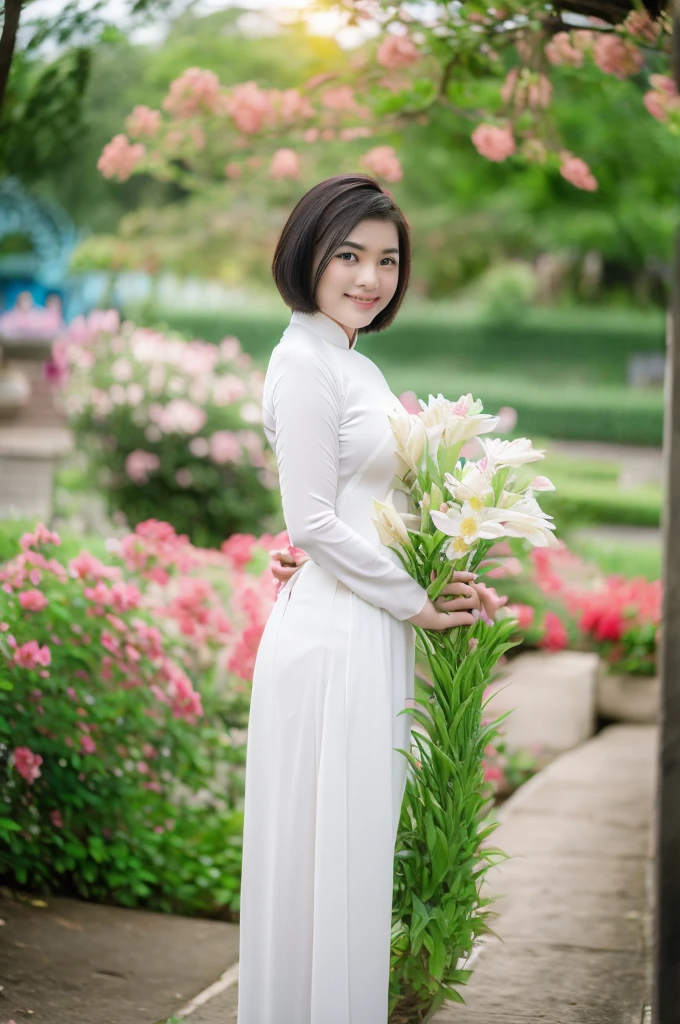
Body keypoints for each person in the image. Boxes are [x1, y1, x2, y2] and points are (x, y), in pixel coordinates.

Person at [236, 174, 502, 1024]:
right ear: (305, 252)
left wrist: (448, 566)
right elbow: (311, 518)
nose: (369, 277)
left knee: (350, 858)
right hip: (334, 638)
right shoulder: (303, 358)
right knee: (323, 858)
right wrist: (414, 601)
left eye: (386, 259)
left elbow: (367, 509)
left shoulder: (353, 360)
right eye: (348, 254)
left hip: (362, 621)